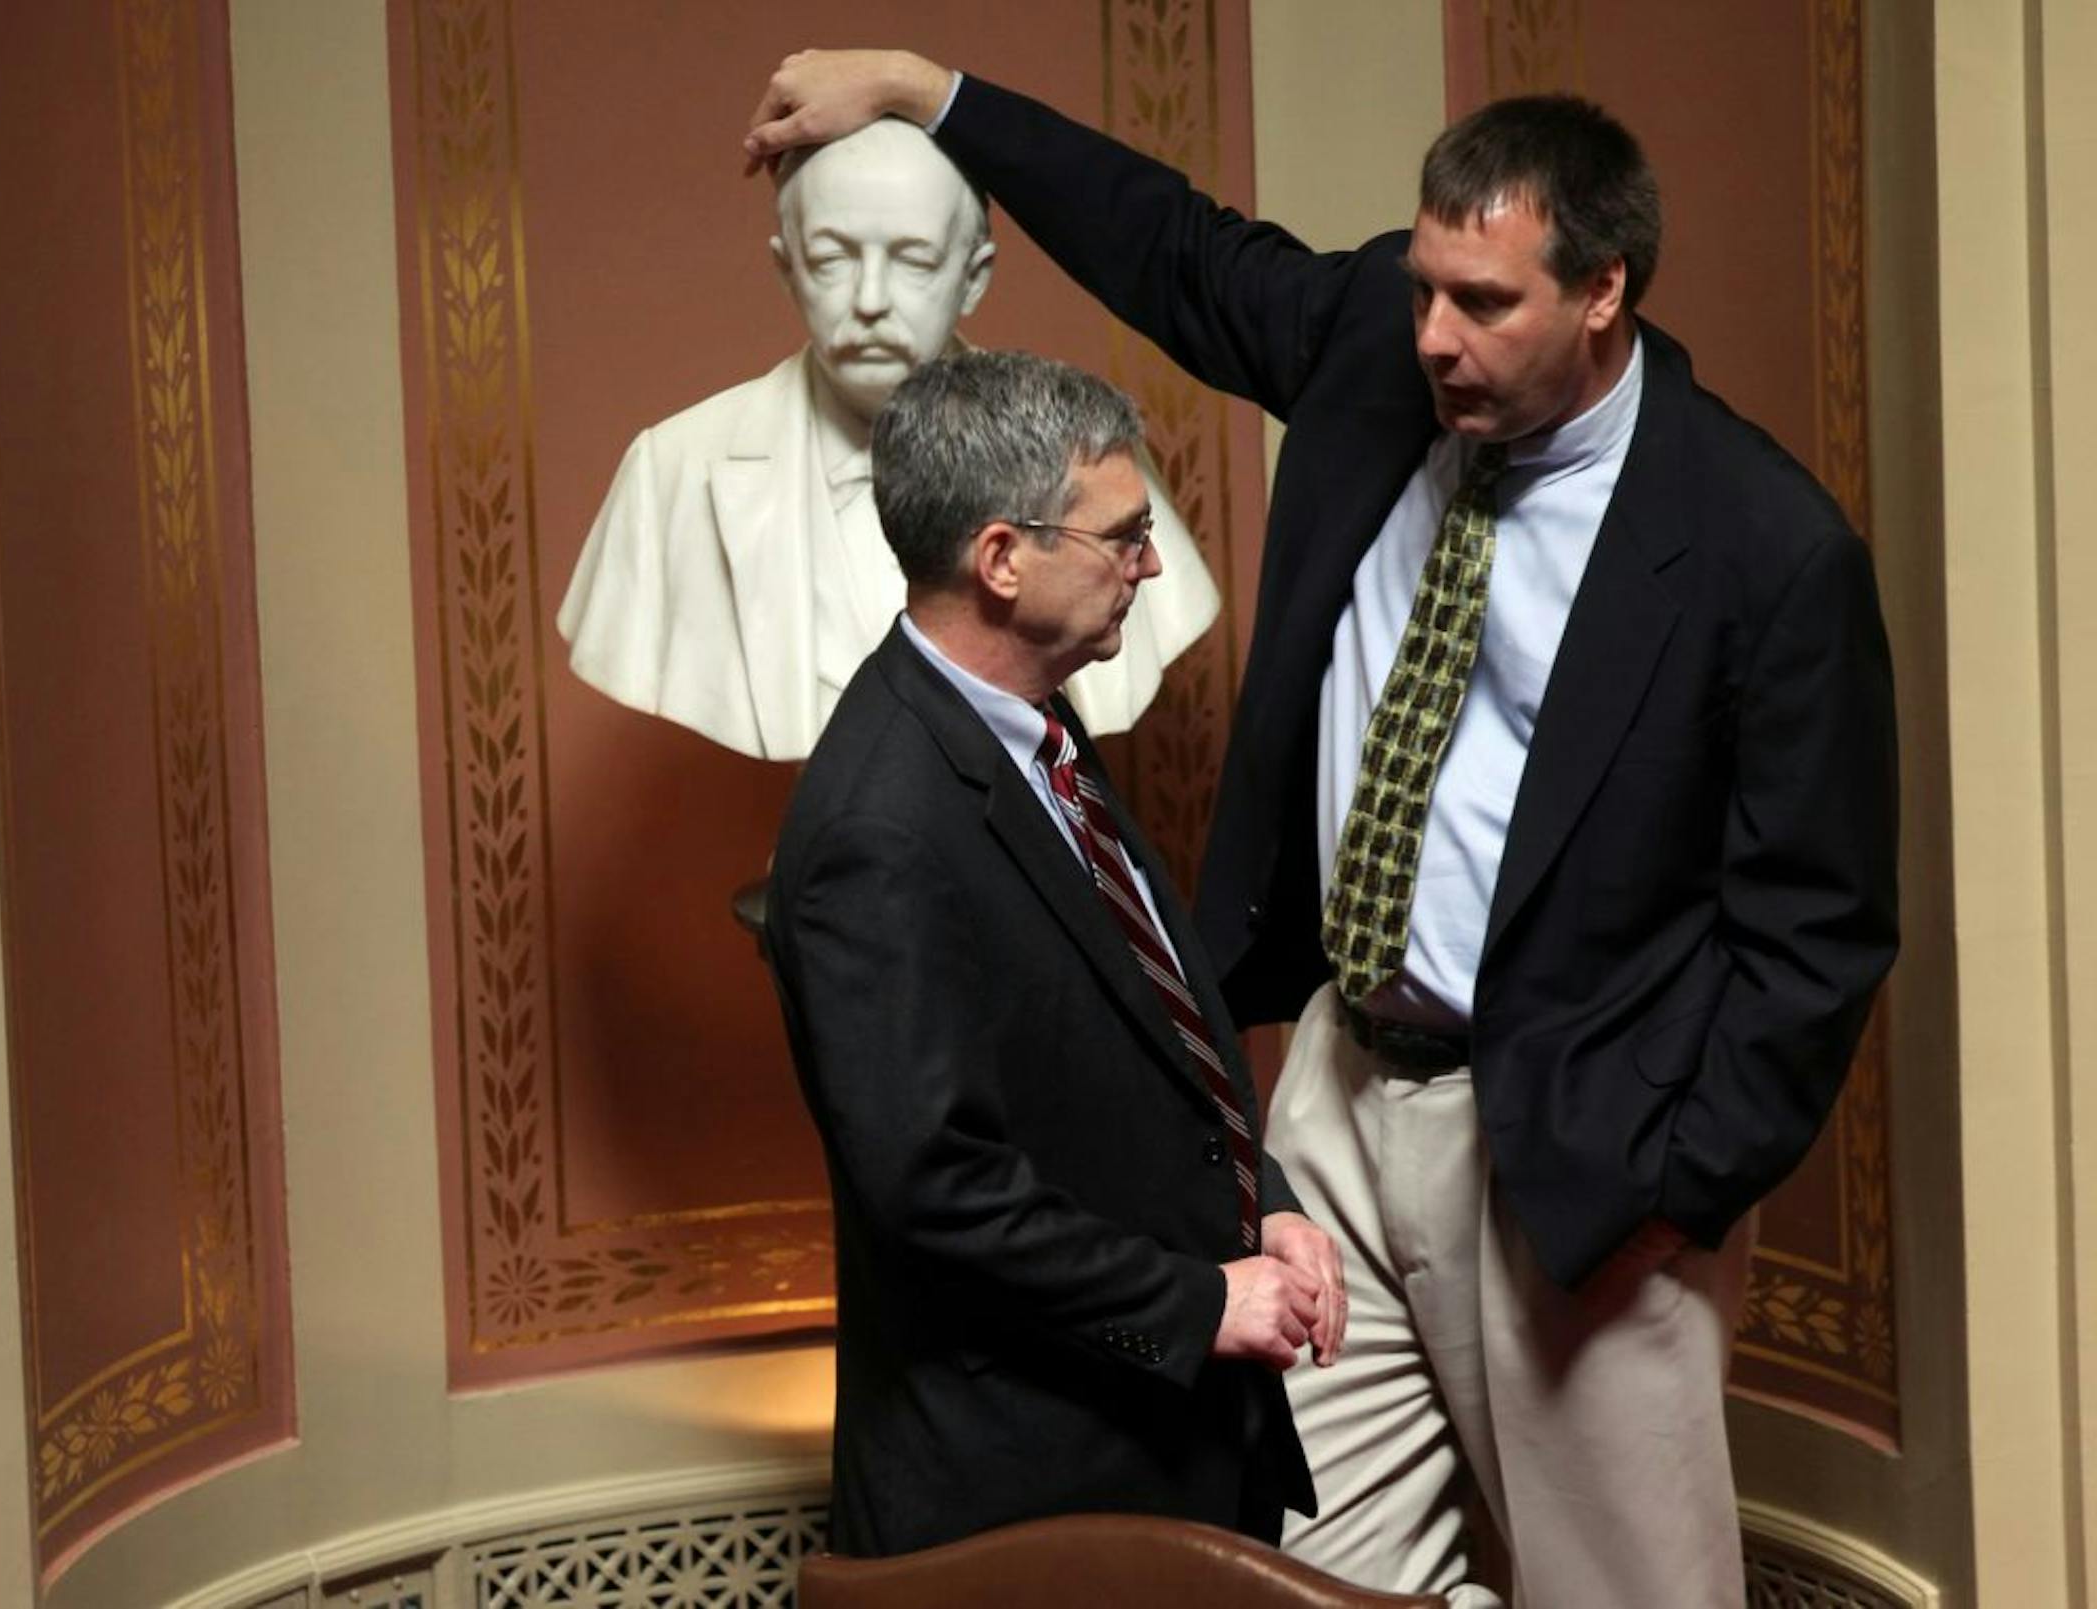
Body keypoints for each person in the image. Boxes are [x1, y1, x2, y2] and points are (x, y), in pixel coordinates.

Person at [744, 54, 1899, 1608]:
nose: (1434, 336)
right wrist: (935, 94)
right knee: (1298, 1576)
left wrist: (1679, 1190)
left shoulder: (1765, 544)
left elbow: (1818, 928)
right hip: (1337, 1097)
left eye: (1483, 302)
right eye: (1424, 287)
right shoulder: (1379, 347)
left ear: (1603, 290)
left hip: (1572, 1142)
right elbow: (1171, 244)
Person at [764, 348, 1343, 1556]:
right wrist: (1197, 1302)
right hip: (1027, 1494)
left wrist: (1265, 1211)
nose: (1150, 564)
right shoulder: (881, 826)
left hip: (1157, 1444)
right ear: (1001, 559)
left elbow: (1143, 1049)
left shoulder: (1033, 722)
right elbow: (936, 1192)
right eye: (1123, 536)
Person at [556, 117, 1217, 761]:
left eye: (913, 260)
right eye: (831, 258)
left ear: (974, 277)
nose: (869, 298)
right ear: (787, 271)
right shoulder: (670, 474)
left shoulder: (1098, 458)